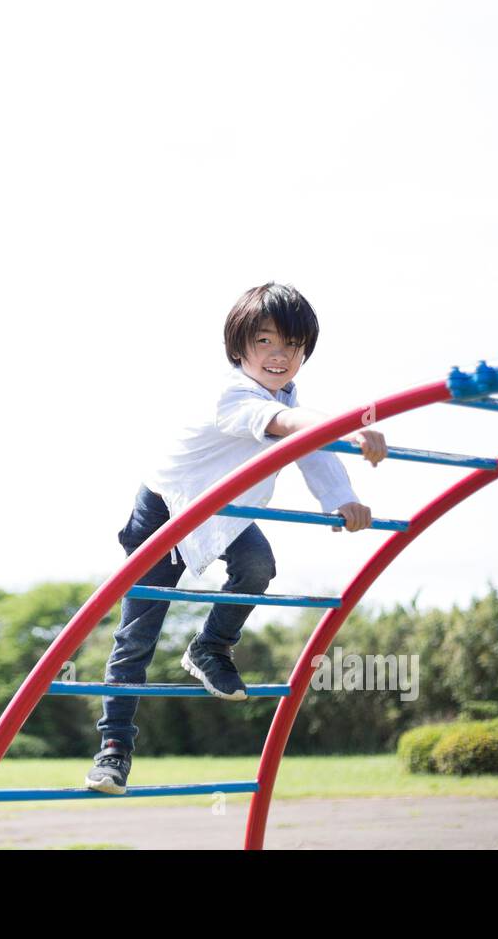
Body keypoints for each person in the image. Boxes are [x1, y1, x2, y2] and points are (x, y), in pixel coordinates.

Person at [84, 282, 389, 794]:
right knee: (137, 635)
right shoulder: (231, 395)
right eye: (266, 341)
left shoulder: (292, 399)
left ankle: (210, 648)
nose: (279, 355)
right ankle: (113, 751)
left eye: (292, 346)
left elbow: (314, 450)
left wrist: (341, 500)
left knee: (257, 568)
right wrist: (350, 426)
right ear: (238, 346)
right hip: (164, 509)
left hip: (223, 513)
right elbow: (291, 425)